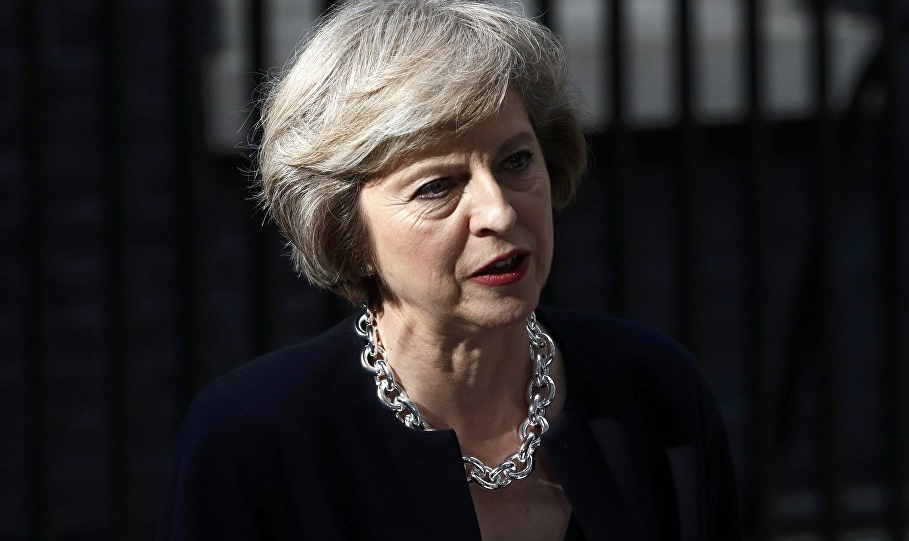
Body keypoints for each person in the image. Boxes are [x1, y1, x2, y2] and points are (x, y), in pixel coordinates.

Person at [159, 1, 740, 539]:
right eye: (438, 186)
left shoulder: (652, 390)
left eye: (516, 161)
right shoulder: (255, 440)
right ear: (346, 230)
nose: (499, 211)